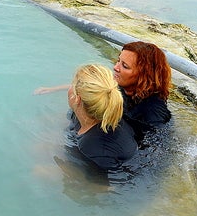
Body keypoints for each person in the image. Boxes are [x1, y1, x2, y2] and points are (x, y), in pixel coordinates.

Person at [34, 41, 172, 142]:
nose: (116, 67)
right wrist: (53, 89)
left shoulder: (153, 111)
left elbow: (154, 144)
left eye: (124, 66)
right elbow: (91, 87)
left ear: (144, 76)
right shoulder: (122, 85)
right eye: (118, 61)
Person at [66, 64, 138, 170]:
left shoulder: (94, 147)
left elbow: (101, 185)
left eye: (72, 84)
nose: (69, 87)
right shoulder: (81, 112)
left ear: (77, 99)